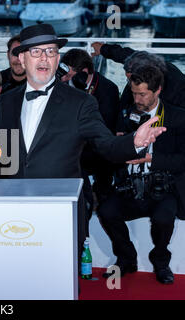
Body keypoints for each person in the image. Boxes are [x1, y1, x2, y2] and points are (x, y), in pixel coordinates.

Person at [0, 24, 166, 259]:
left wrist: (134, 141)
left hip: (60, 209)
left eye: (50, 51)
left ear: (57, 59)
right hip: (14, 208)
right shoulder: (7, 101)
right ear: (22, 59)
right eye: (37, 52)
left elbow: (106, 145)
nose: (44, 58)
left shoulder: (80, 103)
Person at [98, 65, 185, 284]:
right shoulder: (124, 114)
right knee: (106, 211)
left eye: (142, 94)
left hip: (163, 187)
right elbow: (110, 152)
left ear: (157, 91)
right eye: (133, 93)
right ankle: (126, 258)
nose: (136, 99)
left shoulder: (180, 118)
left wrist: (151, 159)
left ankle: (160, 261)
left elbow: (184, 160)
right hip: (128, 186)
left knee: (163, 218)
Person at [60, 48, 121, 232]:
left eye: (71, 74)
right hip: (74, 151)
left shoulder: (107, 89)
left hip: (98, 150)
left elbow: (104, 129)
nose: (67, 77)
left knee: (103, 187)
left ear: (85, 72)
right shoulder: (63, 86)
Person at [91, 42, 185, 111]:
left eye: (131, 79)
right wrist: (103, 49)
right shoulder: (143, 62)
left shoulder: (175, 89)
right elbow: (126, 54)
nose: (130, 82)